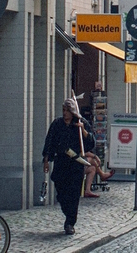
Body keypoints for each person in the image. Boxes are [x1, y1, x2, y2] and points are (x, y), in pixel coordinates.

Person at [42, 97, 96, 235]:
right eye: (63, 110)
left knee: (73, 194)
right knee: (61, 193)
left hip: (75, 164)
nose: (65, 113)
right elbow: (50, 141)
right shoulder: (57, 124)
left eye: (67, 110)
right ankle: (67, 213)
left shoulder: (80, 123)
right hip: (61, 162)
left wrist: (83, 131)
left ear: (73, 111)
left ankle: (70, 222)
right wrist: (46, 160)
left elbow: (91, 143)